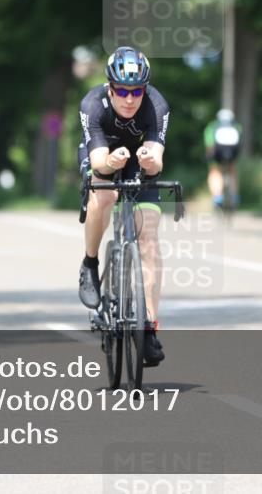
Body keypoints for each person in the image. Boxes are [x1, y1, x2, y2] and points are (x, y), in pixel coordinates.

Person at [77, 47, 169, 366]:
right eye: (122, 91)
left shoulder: (156, 106)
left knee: (150, 243)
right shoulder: (93, 105)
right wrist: (110, 161)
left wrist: (149, 159)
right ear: (109, 87)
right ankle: (90, 264)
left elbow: (157, 160)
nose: (129, 99)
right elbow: (99, 161)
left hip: (138, 160)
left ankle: (149, 329)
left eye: (136, 91)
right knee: (103, 195)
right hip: (103, 153)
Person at [204, 109, 242, 210]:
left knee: (214, 172)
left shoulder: (212, 126)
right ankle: (234, 196)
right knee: (232, 170)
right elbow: (240, 143)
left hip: (218, 153)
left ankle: (217, 198)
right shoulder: (236, 126)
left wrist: (209, 156)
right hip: (232, 153)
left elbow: (209, 145)